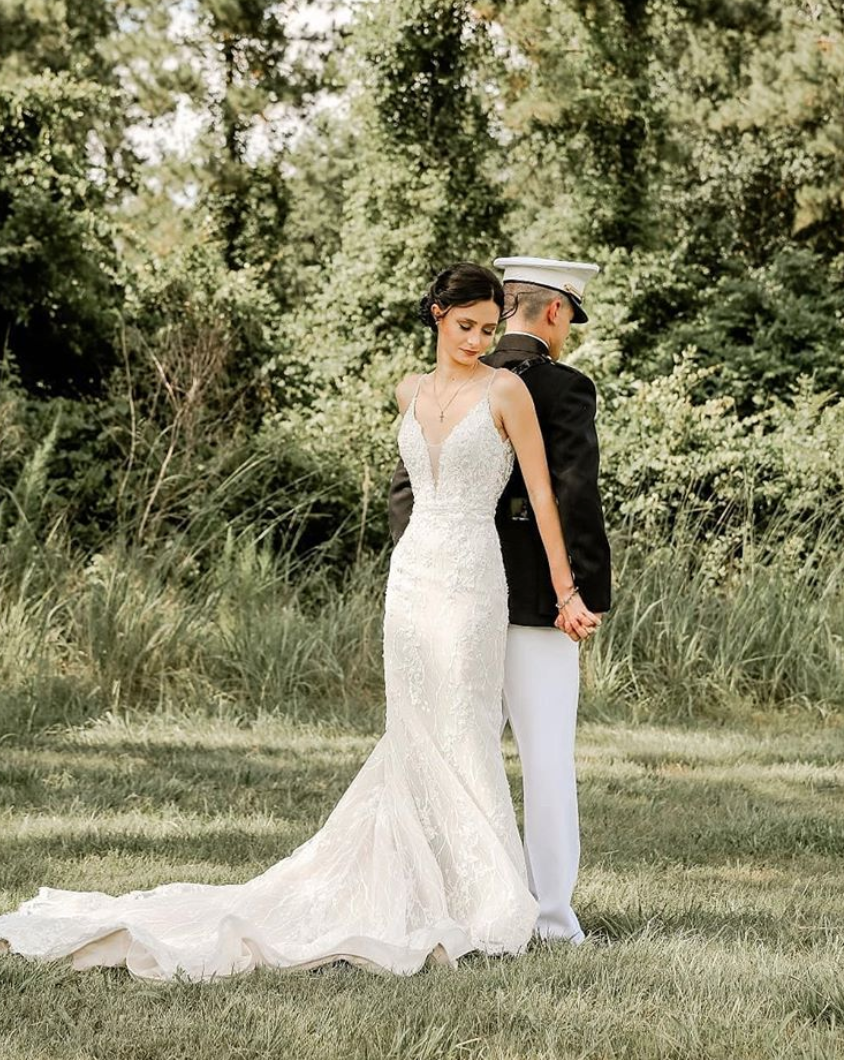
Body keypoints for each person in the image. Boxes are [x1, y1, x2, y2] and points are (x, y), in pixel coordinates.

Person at [0, 262, 592, 982]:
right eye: (466, 326)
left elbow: (544, 498)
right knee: (413, 729)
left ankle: (482, 890)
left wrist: (566, 591)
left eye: (489, 329)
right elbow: (410, 493)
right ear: (436, 314)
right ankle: (417, 884)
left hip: (474, 581)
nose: (477, 340)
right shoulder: (408, 392)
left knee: (463, 727)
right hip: (411, 581)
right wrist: (413, 554)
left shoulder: (508, 393)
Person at [389, 256, 611, 945]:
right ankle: (547, 915)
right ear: (555, 311)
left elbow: (407, 496)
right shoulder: (565, 387)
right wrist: (579, 594)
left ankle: (445, 893)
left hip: (439, 590)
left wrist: (423, 561)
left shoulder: (444, 384)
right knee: (545, 756)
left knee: (448, 744)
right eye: (571, 315)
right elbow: (571, 495)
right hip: (536, 603)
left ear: (504, 307)